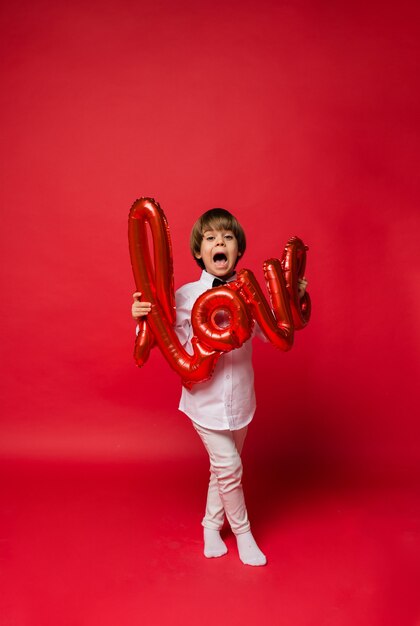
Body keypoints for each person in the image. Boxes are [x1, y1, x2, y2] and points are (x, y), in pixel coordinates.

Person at [131, 208, 308, 566]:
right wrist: (142, 317)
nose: (219, 243)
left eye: (227, 237)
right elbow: (160, 341)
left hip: (242, 401)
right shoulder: (184, 297)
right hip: (204, 403)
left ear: (237, 249)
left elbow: (276, 332)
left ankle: (211, 525)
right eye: (211, 238)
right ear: (199, 251)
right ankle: (243, 533)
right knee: (229, 466)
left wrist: (293, 296)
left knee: (221, 469)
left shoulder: (249, 293)